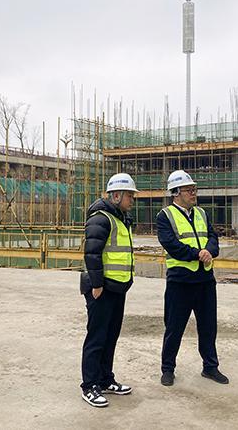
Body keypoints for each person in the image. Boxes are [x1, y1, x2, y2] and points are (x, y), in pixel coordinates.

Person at [157, 170, 228, 387]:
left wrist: (209, 251)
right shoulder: (165, 216)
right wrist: (198, 254)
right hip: (180, 282)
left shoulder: (202, 213)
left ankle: (210, 367)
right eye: (188, 190)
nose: (193, 193)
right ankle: (168, 369)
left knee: (208, 326)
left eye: (194, 189)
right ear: (176, 193)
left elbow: (213, 237)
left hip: (205, 280)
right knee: (174, 327)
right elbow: (171, 245)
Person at [79, 173, 138, 408]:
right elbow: (92, 253)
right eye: (129, 195)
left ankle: (105, 379)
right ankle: (89, 386)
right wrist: (96, 284)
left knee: (110, 336)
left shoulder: (121, 219)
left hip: (117, 287)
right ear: (116, 196)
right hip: (101, 288)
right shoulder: (100, 219)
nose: (132, 199)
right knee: (96, 337)